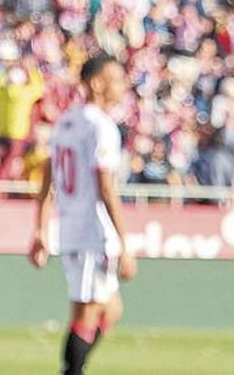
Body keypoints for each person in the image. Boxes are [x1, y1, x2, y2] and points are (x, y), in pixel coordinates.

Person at [28, 53, 137, 375]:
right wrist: (125, 243)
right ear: (97, 83)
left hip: (72, 228)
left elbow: (47, 180)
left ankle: (74, 367)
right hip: (93, 233)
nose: (123, 86)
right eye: (117, 79)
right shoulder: (101, 127)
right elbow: (106, 187)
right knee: (85, 314)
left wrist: (41, 230)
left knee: (111, 309)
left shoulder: (66, 122)